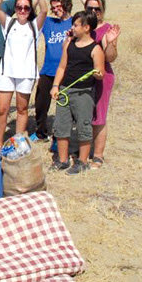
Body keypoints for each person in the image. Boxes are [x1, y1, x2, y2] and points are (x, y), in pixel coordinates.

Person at [0, 0, 46, 148]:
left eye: (26, 8)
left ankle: (18, 142)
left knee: (22, 109)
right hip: (6, 73)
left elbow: (45, 10)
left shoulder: (34, 26)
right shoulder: (9, 23)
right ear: (15, 9)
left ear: (30, 10)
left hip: (26, 74)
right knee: (2, 109)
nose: (22, 10)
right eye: (19, 7)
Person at [72, 0, 121, 167]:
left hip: (102, 77)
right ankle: (83, 148)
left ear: (103, 11)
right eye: (89, 8)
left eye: (97, 9)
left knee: (98, 117)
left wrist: (111, 43)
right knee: (83, 114)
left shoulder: (107, 29)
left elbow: (111, 58)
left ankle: (98, 154)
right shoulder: (84, 26)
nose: (93, 11)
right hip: (83, 76)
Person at [50, 11, 105, 175]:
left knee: (83, 126)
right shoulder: (69, 44)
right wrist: (55, 86)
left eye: (75, 25)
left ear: (86, 27)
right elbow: (62, 67)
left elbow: (100, 72)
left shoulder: (96, 49)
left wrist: (97, 73)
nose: (72, 28)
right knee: (61, 125)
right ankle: (62, 160)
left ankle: (82, 161)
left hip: (84, 93)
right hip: (65, 90)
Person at [33, 0, 73, 140]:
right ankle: (40, 132)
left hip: (67, 71)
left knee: (64, 105)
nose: (55, 10)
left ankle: (61, 135)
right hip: (48, 70)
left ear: (67, 5)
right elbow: (31, 11)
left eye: (58, 6)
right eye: (53, 7)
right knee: (40, 104)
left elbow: (91, 17)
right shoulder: (49, 22)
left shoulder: (74, 22)